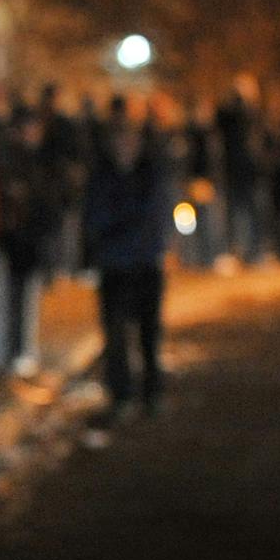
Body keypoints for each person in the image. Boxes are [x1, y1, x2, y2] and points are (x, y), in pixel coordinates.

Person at [83, 103, 173, 421]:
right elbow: (95, 218)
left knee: (149, 332)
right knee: (116, 334)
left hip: (144, 264)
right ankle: (121, 394)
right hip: (115, 266)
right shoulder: (102, 176)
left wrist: (119, 227)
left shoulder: (150, 174)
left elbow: (151, 218)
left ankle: (152, 391)